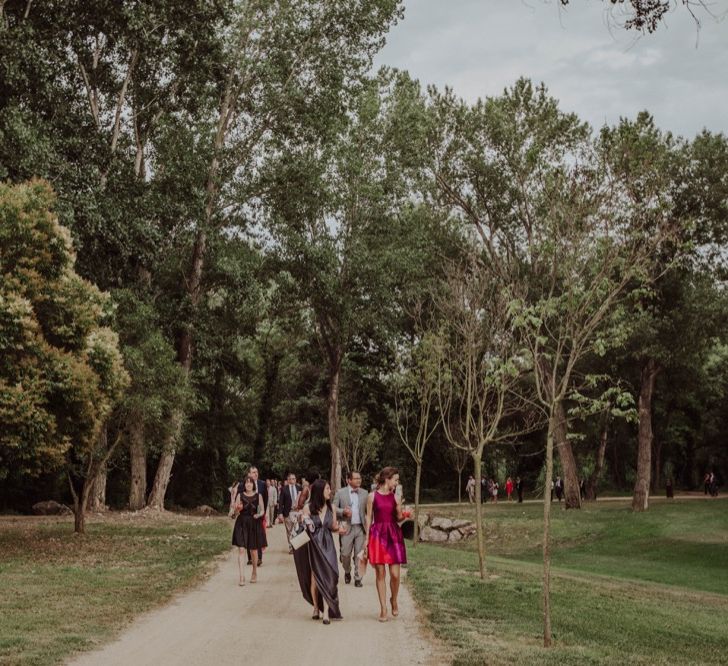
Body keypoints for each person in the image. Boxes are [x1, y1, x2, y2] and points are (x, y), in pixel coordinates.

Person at [293, 479, 344, 624]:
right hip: (314, 546)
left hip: (328, 546)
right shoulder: (308, 508)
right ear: (319, 491)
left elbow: (333, 526)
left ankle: (327, 611)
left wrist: (341, 530)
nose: (330, 491)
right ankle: (317, 608)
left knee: (330, 577)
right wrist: (303, 521)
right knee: (315, 579)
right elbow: (303, 527)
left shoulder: (332, 507)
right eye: (327, 489)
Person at [366, 466, 407, 623]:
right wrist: (366, 538)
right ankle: (383, 608)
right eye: (395, 479)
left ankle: (394, 599)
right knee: (380, 573)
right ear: (387, 479)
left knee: (396, 575)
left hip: (393, 536)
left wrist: (406, 515)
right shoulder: (372, 497)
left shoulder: (396, 498)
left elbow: (398, 518)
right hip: (377, 535)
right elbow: (369, 517)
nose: (397, 482)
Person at [333, 470, 368, 587]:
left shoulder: (365, 493)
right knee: (345, 554)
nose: (359, 480)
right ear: (349, 480)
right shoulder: (340, 492)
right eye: (356, 478)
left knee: (359, 554)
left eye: (360, 478)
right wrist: (343, 512)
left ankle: (358, 578)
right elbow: (333, 508)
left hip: (360, 528)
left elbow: (369, 511)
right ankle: (347, 571)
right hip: (346, 527)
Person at [231, 475, 266, 586]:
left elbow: (262, 511)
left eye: (250, 482)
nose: (248, 484)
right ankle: (242, 577)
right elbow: (235, 513)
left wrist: (258, 515)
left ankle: (254, 572)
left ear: (253, 484)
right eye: (246, 482)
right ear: (244, 485)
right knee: (241, 549)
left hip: (254, 523)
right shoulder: (240, 496)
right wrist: (237, 509)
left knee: (253, 551)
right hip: (241, 523)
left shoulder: (258, 496)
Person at [247, 466, 268, 565]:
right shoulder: (245, 484)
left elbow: (266, 498)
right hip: (248, 513)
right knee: (248, 534)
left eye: (256, 472)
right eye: (253, 472)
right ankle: (250, 557)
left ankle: (259, 558)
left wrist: (263, 512)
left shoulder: (262, 484)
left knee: (258, 534)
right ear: (249, 474)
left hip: (259, 512)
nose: (255, 474)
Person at [280, 472, 302, 553]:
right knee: (289, 530)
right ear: (288, 480)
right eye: (291, 479)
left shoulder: (299, 488)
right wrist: (280, 513)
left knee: (297, 529)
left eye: (294, 479)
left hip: (297, 512)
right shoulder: (284, 489)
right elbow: (281, 502)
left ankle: (297, 546)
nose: (293, 480)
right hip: (288, 512)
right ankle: (291, 547)